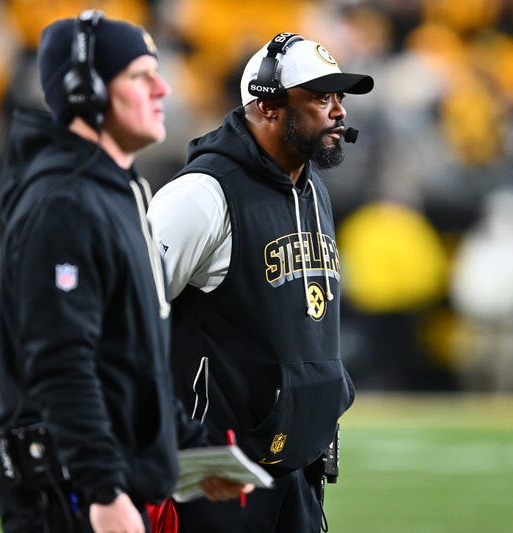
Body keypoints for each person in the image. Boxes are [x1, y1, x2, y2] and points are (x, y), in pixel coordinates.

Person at [0, 11, 247, 533]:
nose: (162, 88)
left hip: (108, 480)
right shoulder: (65, 203)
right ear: (85, 90)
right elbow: (63, 365)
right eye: (139, 75)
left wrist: (193, 449)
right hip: (71, 494)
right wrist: (103, 490)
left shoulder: (117, 191)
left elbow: (130, 362)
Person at [147, 33, 374, 532]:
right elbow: (128, 318)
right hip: (217, 477)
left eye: (339, 97)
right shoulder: (200, 195)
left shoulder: (312, 189)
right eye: (321, 97)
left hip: (297, 469)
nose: (339, 111)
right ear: (268, 105)